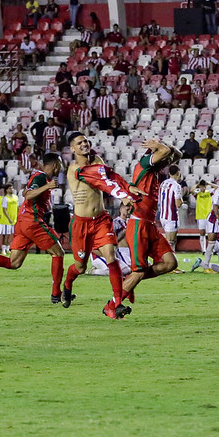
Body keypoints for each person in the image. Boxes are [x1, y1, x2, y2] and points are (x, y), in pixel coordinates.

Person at [0, 154, 67, 302]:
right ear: (55, 164)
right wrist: (48, 187)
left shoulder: (38, 176)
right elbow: (29, 195)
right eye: (60, 164)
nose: (62, 168)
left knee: (14, 263)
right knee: (58, 253)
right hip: (33, 221)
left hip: (23, 222)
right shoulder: (42, 178)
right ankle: (56, 293)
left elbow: (26, 191)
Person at [63, 132, 143, 318]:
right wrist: (124, 194)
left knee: (111, 255)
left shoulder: (97, 160)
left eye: (86, 141)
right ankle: (67, 285)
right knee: (80, 267)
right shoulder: (75, 170)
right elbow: (105, 183)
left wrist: (127, 186)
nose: (84, 144)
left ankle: (117, 303)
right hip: (81, 224)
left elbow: (111, 175)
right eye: (79, 142)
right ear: (73, 149)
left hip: (100, 220)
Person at [121, 140, 182, 304]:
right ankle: (113, 304)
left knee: (170, 263)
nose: (166, 162)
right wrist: (159, 146)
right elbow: (164, 152)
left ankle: (130, 280)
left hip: (150, 225)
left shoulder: (154, 170)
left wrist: (164, 146)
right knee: (139, 271)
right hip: (138, 224)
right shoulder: (144, 163)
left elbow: (178, 155)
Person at [159, 165, 184, 254]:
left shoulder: (163, 183)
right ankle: (169, 264)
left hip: (163, 216)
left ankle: (172, 264)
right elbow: (178, 203)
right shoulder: (176, 186)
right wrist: (182, 200)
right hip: (171, 216)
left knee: (169, 241)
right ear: (178, 173)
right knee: (171, 242)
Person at [0, 184, 19, 255]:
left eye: (12, 188)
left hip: (13, 219)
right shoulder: (2, 198)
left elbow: (17, 208)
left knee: (8, 235)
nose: (11, 189)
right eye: (10, 188)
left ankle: (5, 249)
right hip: (2, 220)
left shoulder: (16, 197)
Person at [192, 180, 215, 253]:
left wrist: (209, 183)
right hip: (201, 215)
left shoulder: (209, 193)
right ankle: (203, 249)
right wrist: (197, 184)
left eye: (204, 186)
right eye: (202, 187)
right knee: (202, 232)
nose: (203, 188)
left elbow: (218, 188)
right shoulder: (197, 194)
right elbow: (191, 190)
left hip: (209, 215)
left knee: (210, 233)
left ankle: (211, 249)